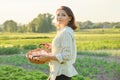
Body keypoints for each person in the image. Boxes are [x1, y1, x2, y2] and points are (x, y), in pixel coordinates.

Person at [39, 6, 78, 80]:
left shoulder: (66, 32)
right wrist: (52, 47)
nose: (59, 17)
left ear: (69, 18)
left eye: (63, 15)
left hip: (61, 74)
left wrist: (48, 57)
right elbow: (62, 48)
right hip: (57, 72)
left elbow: (67, 55)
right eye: (58, 15)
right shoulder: (62, 31)